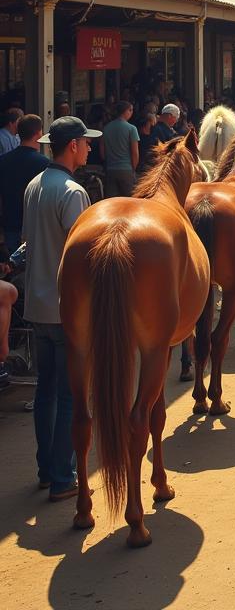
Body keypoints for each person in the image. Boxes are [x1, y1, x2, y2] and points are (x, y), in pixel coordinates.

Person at [23, 116, 100, 501]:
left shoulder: (34, 185)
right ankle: (61, 476)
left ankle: (44, 468)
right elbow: (81, 253)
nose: (89, 148)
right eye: (85, 142)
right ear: (72, 146)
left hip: (36, 305)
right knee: (72, 395)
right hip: (66, 307)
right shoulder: (72, 192)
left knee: (45, 391)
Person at [0, 114, 48, 255]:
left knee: (12, 269)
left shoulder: (3, 161)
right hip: (34, 225)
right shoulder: (43, 163)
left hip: (10, 222)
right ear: (38, 133)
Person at [101, 100, 139, 198]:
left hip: (110, 170)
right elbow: (135, 153)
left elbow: (102, 153)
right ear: (126, 111)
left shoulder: (106, 128)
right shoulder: (132, 129)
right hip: (126, 169)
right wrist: (133, 169)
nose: (131, 113)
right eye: (130, 110)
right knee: (130, 202)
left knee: (112, 202)